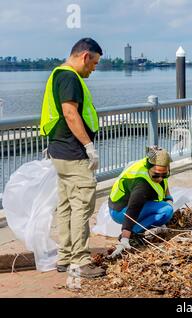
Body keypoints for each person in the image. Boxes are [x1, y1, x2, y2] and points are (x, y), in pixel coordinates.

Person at [39, 38, 104, 278]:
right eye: (94, 63)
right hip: (74, 153)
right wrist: (89, 146)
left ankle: (65, 257)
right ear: (85, 56)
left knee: (66, 205)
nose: (94, 69)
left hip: (59, 151)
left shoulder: (58, 74)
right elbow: (69, 112)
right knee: (82, 207)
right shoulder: (69, 77)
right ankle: (80, 261)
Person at [108, 146, 174, 259]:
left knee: (167, 207)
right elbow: (133, 209)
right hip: (120, 211)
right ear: (149, 168)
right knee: (166, 211)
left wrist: (168, 198)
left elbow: (164, 184)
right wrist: (125, 239)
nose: (160, 178)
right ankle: (134, 233)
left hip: (129, 205)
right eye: (156, 175)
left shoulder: (158, 168)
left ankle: (142, 226)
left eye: (165, 174)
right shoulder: (141, 183)